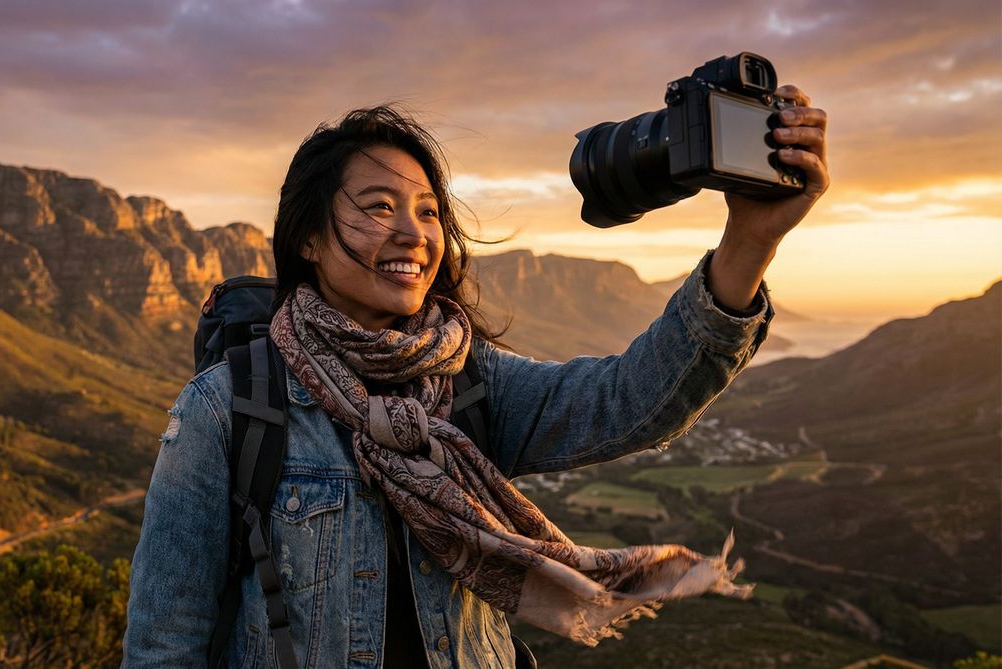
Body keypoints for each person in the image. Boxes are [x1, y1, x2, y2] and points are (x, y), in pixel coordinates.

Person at [123, 93, 829, 668]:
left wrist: (752, 240)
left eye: (429, 210)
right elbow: (164, 648)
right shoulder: (230, 408)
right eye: (378, 207)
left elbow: (628, 403)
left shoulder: (468, 383)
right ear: (307, 239)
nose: (414, 232)